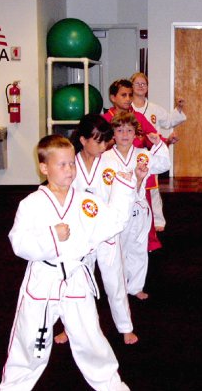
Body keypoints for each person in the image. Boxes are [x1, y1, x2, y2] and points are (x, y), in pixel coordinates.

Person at [0, 135, 145, 391]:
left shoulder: (85, 202)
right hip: (43, 281)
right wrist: (51, 237)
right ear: (44, 168)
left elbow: (112, 223)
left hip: (77, 279)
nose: (70, 170)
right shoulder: (31, 205)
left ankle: (112, 386)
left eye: (71, 164)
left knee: (91, 341)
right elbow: (19, 244)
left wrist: (124, 187)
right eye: (62, 165)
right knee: (30, 343)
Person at [54, 114, 139, 346]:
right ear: (82, 140)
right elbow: (61, 195)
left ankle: (125, 327)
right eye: (98, 141)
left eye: (105, 141)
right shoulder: (70, 166)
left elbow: (122, 197)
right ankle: (70, 327)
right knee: (75, 282)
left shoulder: (111, 164)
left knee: (114, 282)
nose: (104, 146)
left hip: (105, 233)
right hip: (80, 234)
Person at [100, 111, 171, 300]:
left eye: (129, 130)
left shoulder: (143, 155)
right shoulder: (104, 158)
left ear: (136, 134)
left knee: (139, 249)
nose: (124, 135)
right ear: (113, 133)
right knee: (118, 251)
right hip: (116, 211)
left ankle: (136, 286)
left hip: (139, 210)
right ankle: (119, 287)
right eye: (120, 130)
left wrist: (157, 143)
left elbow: (164, 164)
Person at [103, 79, 170, 252]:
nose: (127, 99)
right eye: (123, 95)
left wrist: (163, 142)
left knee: (144, 205)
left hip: (138, 166)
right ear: (112, 97)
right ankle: (113, 240)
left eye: (130, 95)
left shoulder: (138, 118)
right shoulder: (105, 119)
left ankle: (149, 241)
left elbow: (152, 136)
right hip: (115, 167)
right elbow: (97, 144)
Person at [131, 71, 186, 232]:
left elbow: (169, 121)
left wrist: (179, 108)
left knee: (152, 189)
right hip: (131, 152)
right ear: (131, 86)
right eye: (137, 84)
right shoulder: (128, 110)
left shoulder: (154, 108)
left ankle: (157, 220)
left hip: (149, 152)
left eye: (144, 84)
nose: (141, 87)